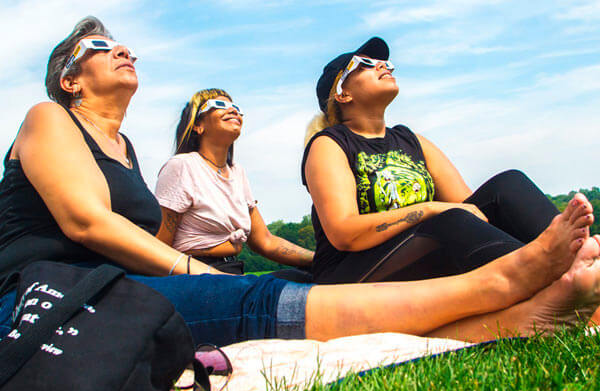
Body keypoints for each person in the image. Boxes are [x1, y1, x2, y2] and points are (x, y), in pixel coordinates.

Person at [0, 17, 598, 347]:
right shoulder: (48, 117)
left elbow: (261, 242)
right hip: (47, 290)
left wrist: (314, 262)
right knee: (257, 299)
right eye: (101, 47)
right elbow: (90, 222)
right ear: (71, 80)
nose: (124, 48)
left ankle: (519, 315)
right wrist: (197, 269)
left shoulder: (124, 150)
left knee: (279, 287)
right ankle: (503, 285)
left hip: (119, 283)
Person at [302, 37, 566, 285]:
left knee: (507, 185)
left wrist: (444, 213)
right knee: (447, 220)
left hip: (419, 247)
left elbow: (471, 209)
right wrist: (430, 209)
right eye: (365, 65)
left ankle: (578, 258)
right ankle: (548, 275)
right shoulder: (329, 144)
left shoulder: (412, 141)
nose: (382, 65)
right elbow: (344, 232)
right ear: (343, 94)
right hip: (350, 273)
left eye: (383, 62)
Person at [154, 89, 314, 275]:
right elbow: (159, 247)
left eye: (235, 107)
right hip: (196, 274)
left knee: (314, 278)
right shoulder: (182, 166)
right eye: (219, 105)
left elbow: (265, 241)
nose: (233, 110)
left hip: (232, 271)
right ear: (198, 125)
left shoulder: (237, 172)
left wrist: (319, 259)